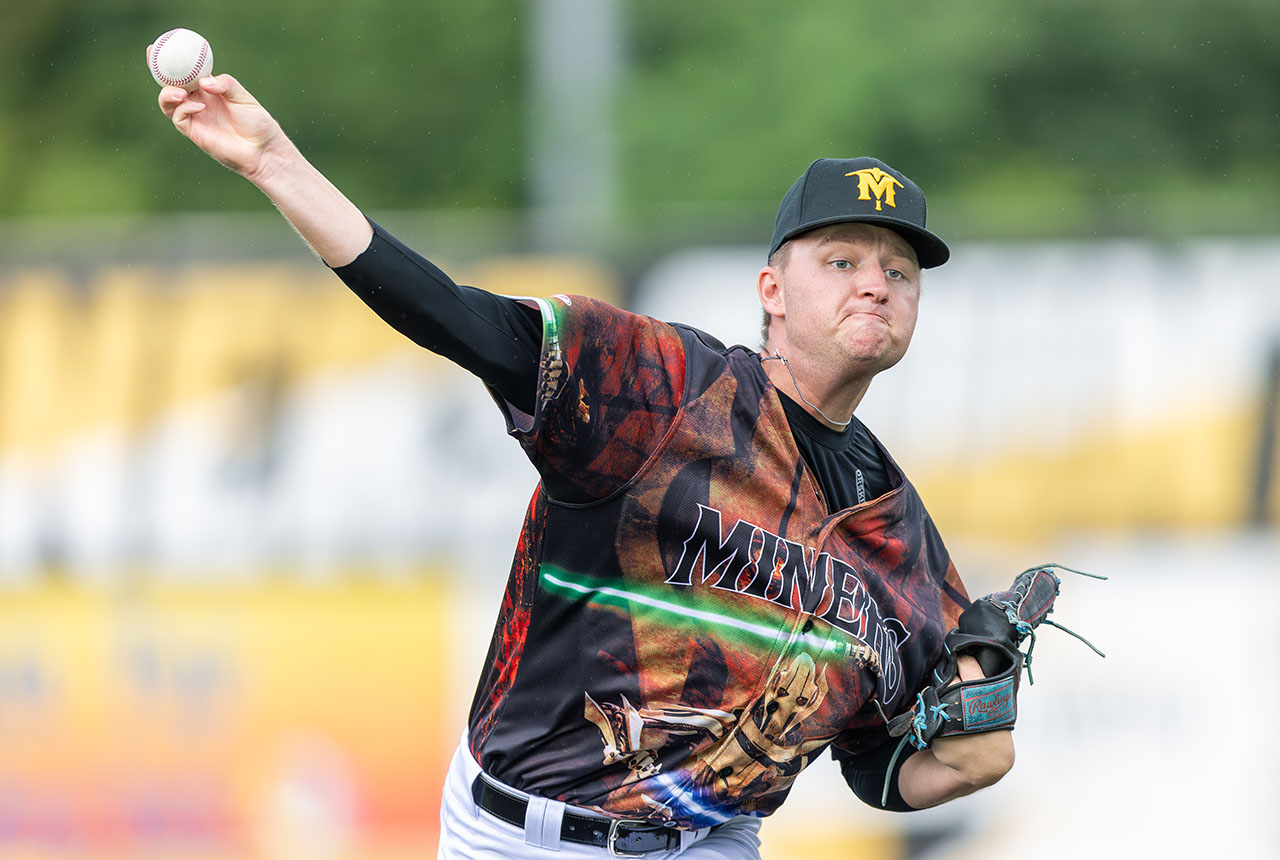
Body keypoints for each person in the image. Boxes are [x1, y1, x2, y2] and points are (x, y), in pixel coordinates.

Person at [157, 73, 1016, 859]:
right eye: (842, 261)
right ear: (772, 290)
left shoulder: (899, 536)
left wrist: (982, 709)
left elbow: (882, 769)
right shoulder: (664, 390)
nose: (875, 284)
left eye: (898, 271)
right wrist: (277, 165)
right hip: (527, 833)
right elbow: (452, 316)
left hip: (714, 842)